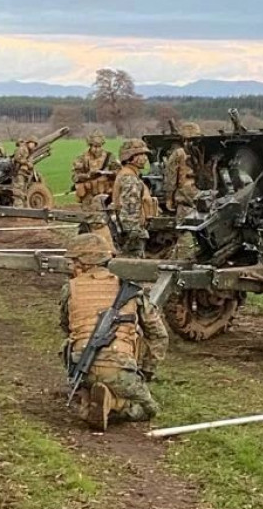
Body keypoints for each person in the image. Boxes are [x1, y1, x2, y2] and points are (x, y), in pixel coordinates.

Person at [59, 233, 168, 431]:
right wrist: (146, 371)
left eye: (72, 262)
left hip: (81, 368)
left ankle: (90, 395)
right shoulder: (131, 290)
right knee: (148, 409)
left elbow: (66, 328)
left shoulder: (70, 289)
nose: (70, 267)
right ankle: (116, 405)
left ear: (83, 262)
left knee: (70, 342)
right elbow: (158, 335)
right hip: (120, 369)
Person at [111, 139, 158, 257]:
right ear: (130, 157)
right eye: (140, 154)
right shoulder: (129, 178)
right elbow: (129, 209)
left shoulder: (130, 175)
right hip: (132, 232)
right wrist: (135, 232)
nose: (145, 158)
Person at [165, 123, 202, 260]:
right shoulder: (204, 152)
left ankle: (182, 259)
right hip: (201, 199)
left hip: (185, 200)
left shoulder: (178, 154)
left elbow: (170, 177)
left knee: (184, 232)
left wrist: (169, 197)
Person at [72, 130, 119, 209]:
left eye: (99, 146)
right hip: (89, 194)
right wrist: (88, 175)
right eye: (94, 146)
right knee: (89, 215)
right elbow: (75, 177)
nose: (97, 149)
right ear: (90, 146)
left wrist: (111, 173)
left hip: (107, 192)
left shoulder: (110, 157)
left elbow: (119, 172)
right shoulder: (82, 158)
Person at [11, 136, 37, 208]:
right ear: (28, 143)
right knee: (18, 190)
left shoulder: (30, 151)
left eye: (34, 144)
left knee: (24, 190)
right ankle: (18, 208)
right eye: (32, 143)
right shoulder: (22, 149)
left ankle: (23, 207)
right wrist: (26, 163)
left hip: (24, 173)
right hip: (19, 172)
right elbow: (17, 158)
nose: (33, 145)